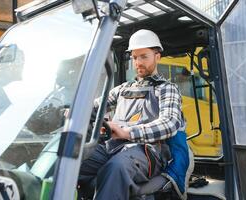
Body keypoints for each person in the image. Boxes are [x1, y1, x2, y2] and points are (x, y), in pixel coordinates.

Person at [78, 29, 193, 200]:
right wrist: (76, 110)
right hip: (112, 147)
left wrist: (128, 132)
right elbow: (95, 106)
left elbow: (169, 123)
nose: (138, 62)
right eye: (134, 57)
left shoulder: (166, 89)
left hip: (147, 151)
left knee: (117, 168)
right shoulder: (123, 89)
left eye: (144, 56)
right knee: (73, 159)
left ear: (157, 56)